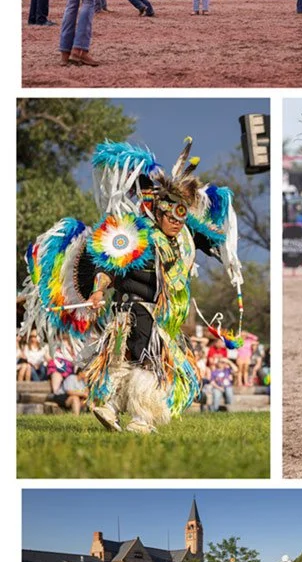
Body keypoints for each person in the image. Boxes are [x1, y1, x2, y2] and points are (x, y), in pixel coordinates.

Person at [24, 135, 243, 437]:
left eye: (182, 216)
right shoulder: (136, 237)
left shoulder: (179, 242)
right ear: (159, 212)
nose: (178, 222)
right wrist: (98, 291)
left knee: (127, 362)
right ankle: (139, 418)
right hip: (140, 315)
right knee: (147, 365)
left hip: (150, 316)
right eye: (172, 216)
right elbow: (108, 267)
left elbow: (208, 239)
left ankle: (110, 407)